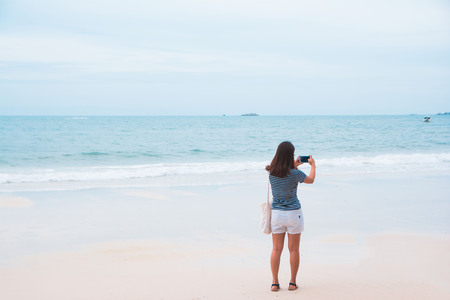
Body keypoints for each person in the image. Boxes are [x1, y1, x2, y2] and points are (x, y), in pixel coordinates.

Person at [265, 141, 316, 292]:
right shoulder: (295, 174)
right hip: (293, 214)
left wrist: (295, 164)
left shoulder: (271, 171)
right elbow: (311, 180)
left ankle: (275, 283)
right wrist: (313, 165)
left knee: (276, 249)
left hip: (277, 215)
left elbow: (284, 172)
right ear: (290, 155)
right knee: (293, 250)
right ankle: (292, 283)